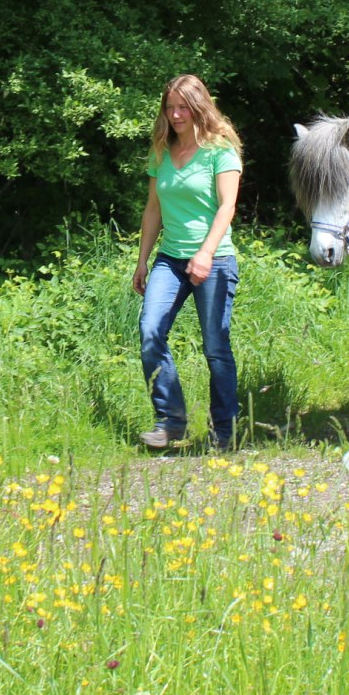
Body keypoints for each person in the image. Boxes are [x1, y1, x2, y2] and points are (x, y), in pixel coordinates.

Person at [132, 75, 244, 451]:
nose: (176, 114)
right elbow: (153, 210)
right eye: (170, 107)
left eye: (183, 107)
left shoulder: (221, 152)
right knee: (150, 331)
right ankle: (171, 421)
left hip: (214, 259)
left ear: (199, 107)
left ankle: (224, 430)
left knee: (215, 346)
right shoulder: (161, 151)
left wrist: (206, 253)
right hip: (170, 258)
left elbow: (227, 207)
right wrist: (143, 261)